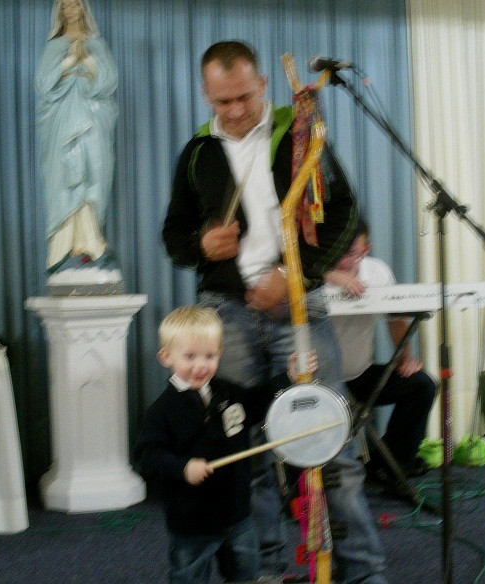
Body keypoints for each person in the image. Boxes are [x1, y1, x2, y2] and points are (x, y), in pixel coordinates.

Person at [162, 41, 387, 583]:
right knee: (247, 452)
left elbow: (343, 214)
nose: (236, 110)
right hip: (227, 315)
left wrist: (294, 277)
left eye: (244, 96)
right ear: (205, 94)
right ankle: (263, 571)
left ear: (263, 84)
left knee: (332, 444)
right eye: (223, 101)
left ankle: (363, 574)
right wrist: (201, 245)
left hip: (298, 307)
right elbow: (174, 237)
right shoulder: (197, 153)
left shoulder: (301, 135)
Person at [134, 306, 315, 584]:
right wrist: (182, 468)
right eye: (190, 356)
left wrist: (287, 377)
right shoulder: (162, 411)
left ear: (219, 354)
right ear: (166, 357)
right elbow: (147, 457)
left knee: (245, 574)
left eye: (210, 356)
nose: (201, 365)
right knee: (189, 577)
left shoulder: (227, 392)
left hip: (237, 514)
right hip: (193, 522)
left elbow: (258, 402)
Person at [325, 219, 437, 486]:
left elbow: (395, 320)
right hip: (318, 381)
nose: (344, 261)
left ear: (366, 250)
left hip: (358, 375)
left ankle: (391, 466)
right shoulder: (310, 272)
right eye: (338, 251)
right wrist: (329, 275)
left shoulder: (377, 272)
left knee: (422, 385)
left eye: (352, 253)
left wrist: (406, 359)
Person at [36, 0, 118, 272]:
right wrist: (70, 61)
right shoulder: (54, 47)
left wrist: (88, 61)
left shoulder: (97, 44)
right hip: (62, 126)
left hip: (93, 124)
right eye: (65, 6)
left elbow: (109, 81)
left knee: (94, 175)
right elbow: (43, 84)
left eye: (75, 4)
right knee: (64, 181)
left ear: (83, 7)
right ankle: (63, 248)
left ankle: (91, 244)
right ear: (59, 12)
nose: (71, 10)